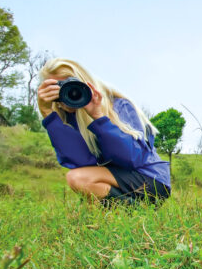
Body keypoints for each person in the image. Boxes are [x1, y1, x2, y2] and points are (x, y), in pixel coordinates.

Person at [37, 58, 171, 207]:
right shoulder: (66, 120)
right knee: (86, 194)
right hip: (118, 181)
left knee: (77, 179)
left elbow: (133, 158)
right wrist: (48, 114)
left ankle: (137, 214)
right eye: (57, 88)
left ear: (84, 83)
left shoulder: (118, 105)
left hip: (150, 179)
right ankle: (133, 215)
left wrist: (99, 118)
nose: (67, 92)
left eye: (70, 85)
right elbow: (81, 162)